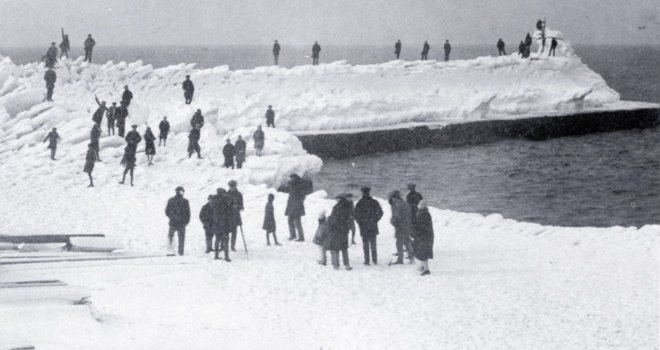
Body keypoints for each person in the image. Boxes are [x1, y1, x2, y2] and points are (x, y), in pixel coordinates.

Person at [353, 186, 383, 266]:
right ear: (369, 192)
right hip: (373, 225)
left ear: (362, 193)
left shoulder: (359, 203)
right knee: (373, 244)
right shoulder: (374, 202)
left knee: (365, 244)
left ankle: (367, 261)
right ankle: (374, 260)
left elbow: (355, 215)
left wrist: (360, 222)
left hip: (364, 226)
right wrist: (375, 219)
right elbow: (380, 212)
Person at [326, 194, 354, 271]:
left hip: (336, 230)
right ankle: (347, 265)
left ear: (339, 199)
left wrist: (329, 223)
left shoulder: (336, 207)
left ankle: (336, 265)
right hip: (344, 230)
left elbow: (333, 219)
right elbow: (350, 218)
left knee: (335, 248)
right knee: (344, 248)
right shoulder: (348, 207)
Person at [389, 190, 414, 265]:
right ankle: (411, 256)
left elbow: (396, 216)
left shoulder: (396, 204)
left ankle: (400, 259)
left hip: (400, 226)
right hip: (407, 225)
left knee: (399, 243)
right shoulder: (405, 203)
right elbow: (410, 214)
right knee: (406, 241)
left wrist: (393, 222)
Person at [165, 186, 191, 256]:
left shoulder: (171, 200)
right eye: (182, 191)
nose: (183, 192)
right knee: (180, 238)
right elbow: (188, 213)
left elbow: (167, 211)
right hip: (180, 223)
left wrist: (172, 217)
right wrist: (185, 221)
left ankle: (171, 251)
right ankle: (180, 252)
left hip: (174, 222)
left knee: (171, 237)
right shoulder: (185, 201)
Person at [285, 173, 309, 241]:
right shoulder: (291, 185)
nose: (291, 179)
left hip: (296, 207)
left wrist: (298, 203)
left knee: (297, 222)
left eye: (292, 178)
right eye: (291, 178)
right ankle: (293, 235)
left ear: (295, 178)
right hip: (291, 206)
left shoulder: (299, 185)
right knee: (290, 221)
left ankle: (301, 237)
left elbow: (302, 196)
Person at [412, 201, 434, 276]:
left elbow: (420, 226)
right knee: (424, 252)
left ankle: (426, 269)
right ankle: (423, 266)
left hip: (422, 237)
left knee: (422, 252)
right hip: (427, 236)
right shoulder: (426, 214)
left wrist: (414, 232)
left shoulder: (422, 214)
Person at [212, 188, 233, 261]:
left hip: (216, 223)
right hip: (224, 223)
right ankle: (226, 256)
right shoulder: (225, 201)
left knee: (217, 239)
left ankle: (216, 255)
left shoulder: (214, 201)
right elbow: (229, 212)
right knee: (226, 239)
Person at [227, 180, 243, 252]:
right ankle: (225, 245)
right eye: (231, 186)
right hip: (227, 216)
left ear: (235, 186)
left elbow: (241, 206)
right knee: (226, 232)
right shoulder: (226, 194)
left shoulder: (239, 195)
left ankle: (232, 246)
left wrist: (237, 206)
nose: (232, 188)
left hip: (235, 216)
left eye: (233, 186)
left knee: (234, 232)